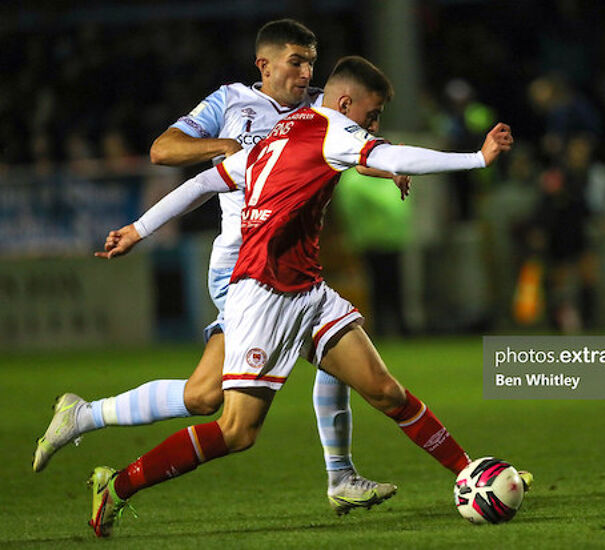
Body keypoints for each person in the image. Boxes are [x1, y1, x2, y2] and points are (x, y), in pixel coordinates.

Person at [86, 55, 526, 538]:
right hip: (263, 293)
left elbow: (207, 181)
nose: (374, 127)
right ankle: (119, 484)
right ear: (345, 102)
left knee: (384, 391)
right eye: (372, 115)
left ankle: (467, 472)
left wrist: (138, 228)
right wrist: (477, 158)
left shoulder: (285, 130)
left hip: (307, 290)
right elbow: (394, 156)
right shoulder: (335, 127)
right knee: (237, 431)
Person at [33, 19, 406, 516]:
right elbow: (163, 149)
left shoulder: (318, 106)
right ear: (264, 64)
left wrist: (388, 165)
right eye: (296, 61)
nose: (305, 72)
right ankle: (340, 476)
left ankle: (82, 416)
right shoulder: (228, 102)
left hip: (286, 262)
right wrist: (223, 147)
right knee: (297, 363)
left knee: (209, 393)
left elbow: (352, 148)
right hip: (241, 265)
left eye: (311, 62)